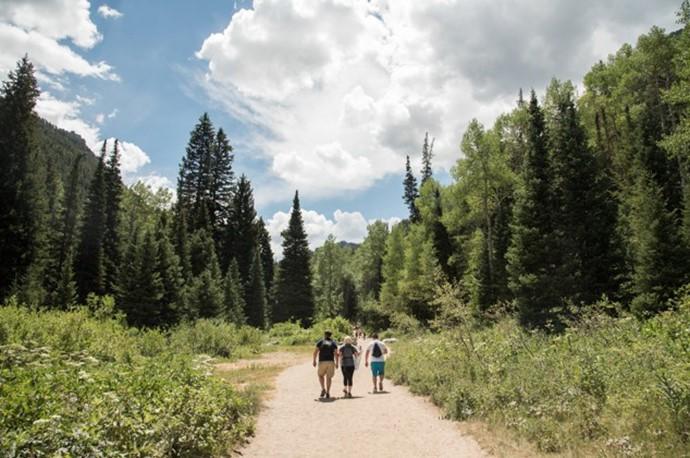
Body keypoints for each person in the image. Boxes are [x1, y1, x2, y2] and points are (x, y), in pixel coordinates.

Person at [313, 330, 338, 399]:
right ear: (330, 335)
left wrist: (314, 360)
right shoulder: (333, 343)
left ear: (324, 335)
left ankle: (323, 389)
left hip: (322, 361)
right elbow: (336, 354)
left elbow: (315, 352)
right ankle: (328, 392)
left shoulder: (320, 342)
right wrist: (337, 363)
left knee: (320, 375)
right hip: (331, 361)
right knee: (329, 377)